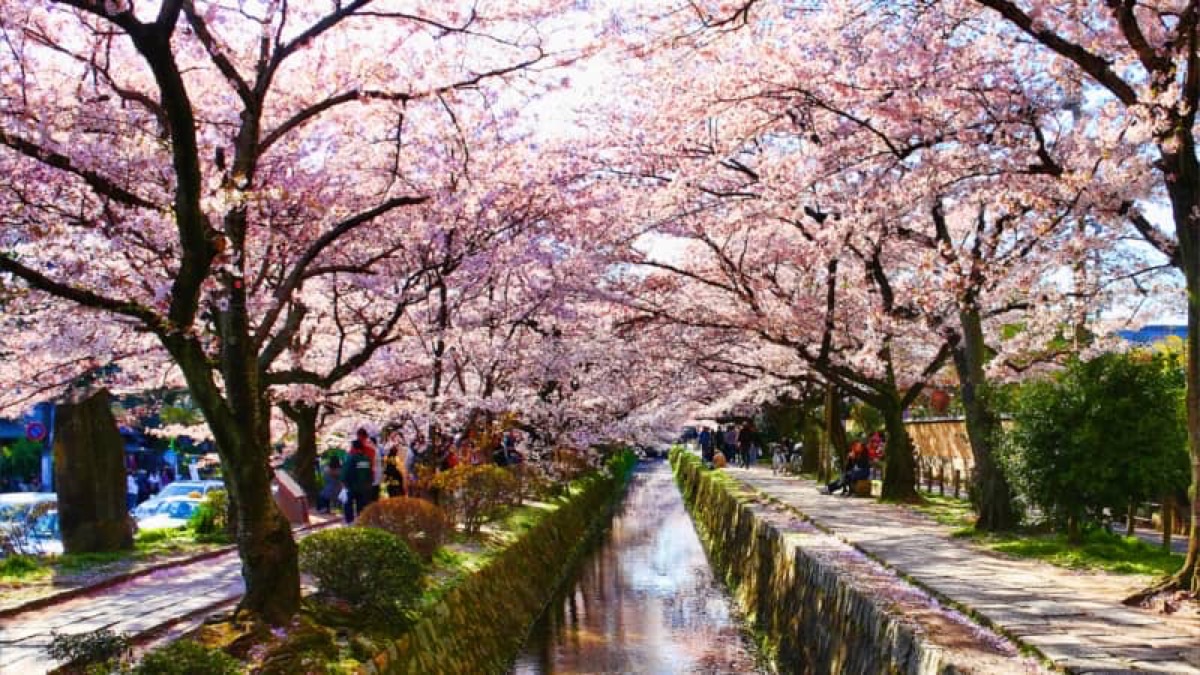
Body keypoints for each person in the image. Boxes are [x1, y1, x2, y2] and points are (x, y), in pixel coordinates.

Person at [343, 440, 374, 523]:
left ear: (354, 448)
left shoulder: (351, 458)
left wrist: (343, 482)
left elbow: (345, 471)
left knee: (348, 504)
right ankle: (360, 520)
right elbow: (370, 473)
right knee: (361, 505)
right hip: (364, 487)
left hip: (352, 486)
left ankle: (350, 522)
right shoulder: (366, 459)